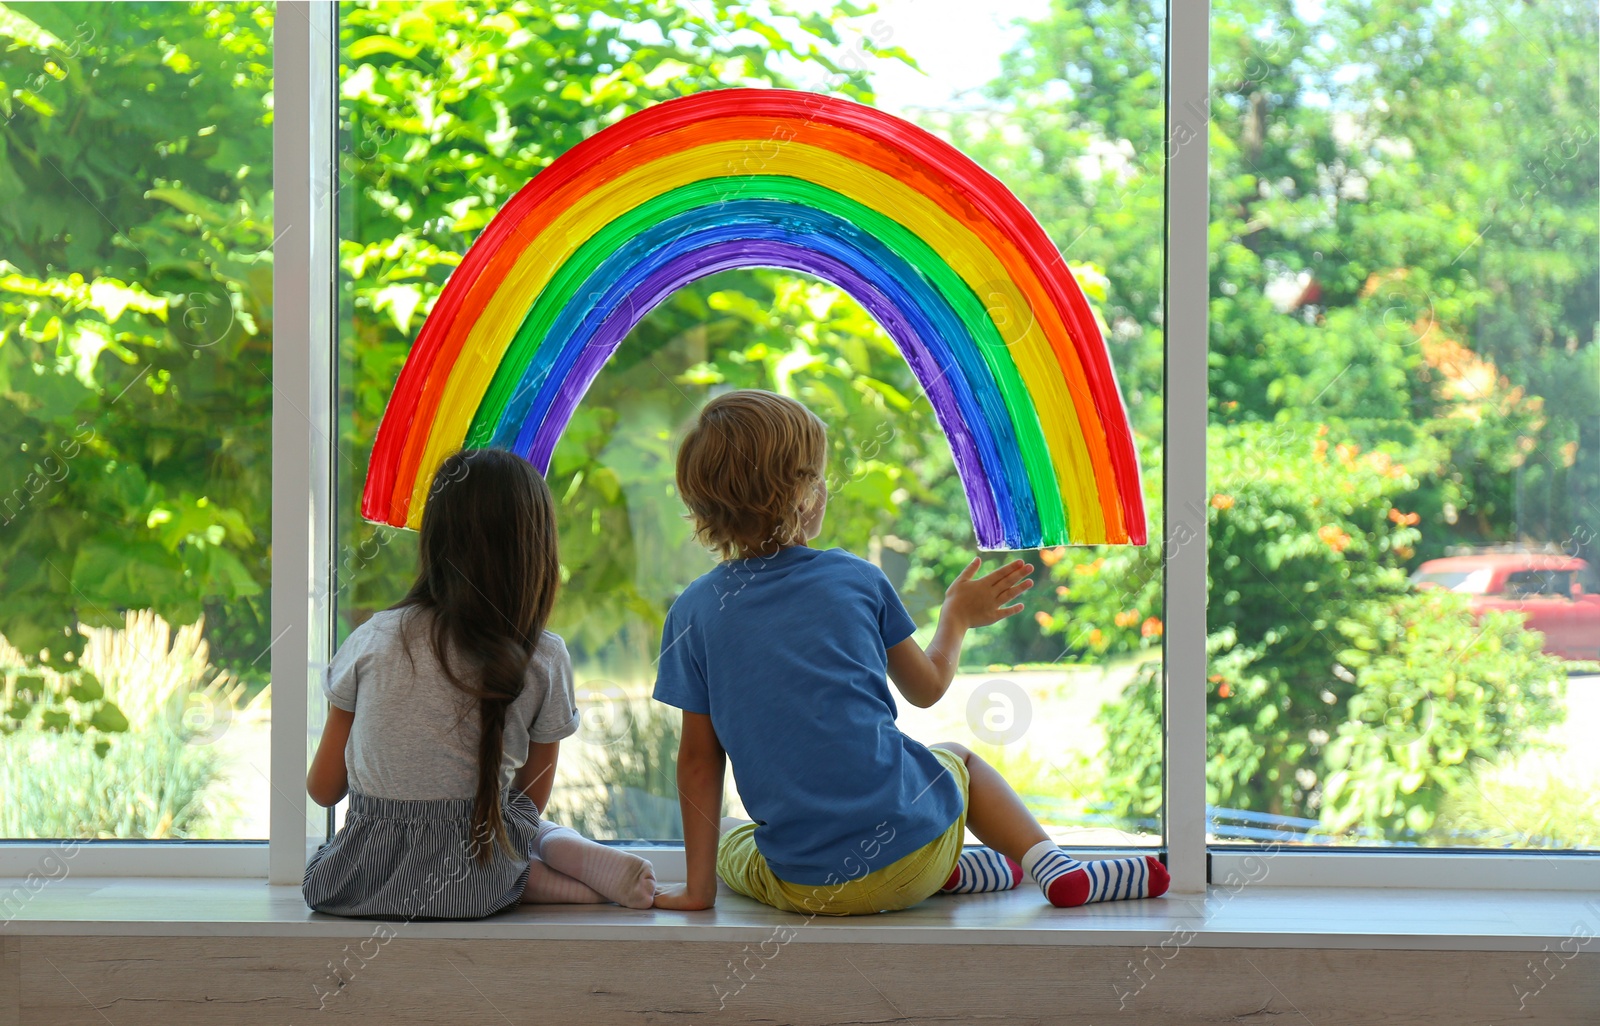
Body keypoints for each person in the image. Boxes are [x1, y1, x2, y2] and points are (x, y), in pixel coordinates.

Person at [650, 390, 1169, 915]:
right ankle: (1049, 866)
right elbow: (927, 689)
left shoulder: (693, 613)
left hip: (810, 888)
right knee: (958, 758)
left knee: (736, 843)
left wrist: (698, 892)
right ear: (801, 494)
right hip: (917, 853)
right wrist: (957, 617)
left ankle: (959, 873)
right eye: (818, 476)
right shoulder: (856, 579)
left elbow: (697, 760)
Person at [303, 449, 655, 919]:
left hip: (363, 878)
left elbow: (324, 789)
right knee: (524, 828)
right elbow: (529, 801)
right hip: (475, 880)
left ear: (434, 540)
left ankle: (539, 873)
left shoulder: (372, 638)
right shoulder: (544, 655)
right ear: (537, 550)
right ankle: (551, 859)